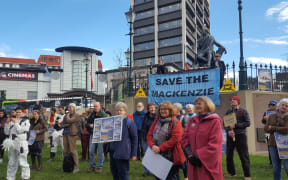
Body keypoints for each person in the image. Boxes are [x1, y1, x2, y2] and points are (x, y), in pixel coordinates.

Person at [181, 96, 223, 180]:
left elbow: (215, 143)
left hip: (207, 162)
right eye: (196, 104)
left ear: (207, 105)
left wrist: (198, 156)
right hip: (193, 160)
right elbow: (185, 137)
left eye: (200, 103)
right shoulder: (192, 120)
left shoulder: (214, 121)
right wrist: (189, 154)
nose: (197, 105)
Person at [147, 101, 186, 180]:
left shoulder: (175, 122)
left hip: (171, 157)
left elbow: (176, 138)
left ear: (170, 110)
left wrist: (160, 148)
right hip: (157, 156)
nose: (162, 111)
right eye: (161, 109)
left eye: (165, 109)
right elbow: (149, 135)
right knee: (158, 177)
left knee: (171, 177)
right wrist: (152, 145)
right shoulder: (157, 120)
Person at [108, 102, 138, 180]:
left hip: (123, 152)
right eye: (117, 110)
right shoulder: (113, 122)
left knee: (123, 174)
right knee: (114, 173)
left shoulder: (129, 122)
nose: (119, 112)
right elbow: (109, 135)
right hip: (112, 152)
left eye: (121, 110)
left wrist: (134, 154)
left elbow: (135, 138)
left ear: (125, 111)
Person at [225, 96, 251, 180]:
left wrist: (236, 125)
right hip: (230, 136)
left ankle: (247, 175)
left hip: (241, 135)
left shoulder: (243, 111)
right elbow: (225, 123)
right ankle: (231, 173)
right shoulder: (229, 111)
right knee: (229, 155)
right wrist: (229, 130)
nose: (232, 101)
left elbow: (247, 123)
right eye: (231, 99)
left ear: (238, 102)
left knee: (243, 155)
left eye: (234, 99)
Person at [264, 98, 288, 180]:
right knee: (276, 168)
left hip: (286, 146)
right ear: (279, 105)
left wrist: (273, 128)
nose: (284, 107)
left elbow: (286, 130)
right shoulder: (271, 116)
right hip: (273, 144)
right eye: (283, 105)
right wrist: (274, 128)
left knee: (287, 167)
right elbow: (266, 129)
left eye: (286, 106)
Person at [4, 106, 30, 180]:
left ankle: (25, 177)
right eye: (17, 112)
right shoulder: (12, 121)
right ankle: (10, 177)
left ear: (22, 112)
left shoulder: (26, 121)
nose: (18, 113)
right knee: (11, 161)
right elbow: (6, 132)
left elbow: (21, 130)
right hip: (12, 142)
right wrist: (7, 123)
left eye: (19, 112)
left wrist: (16, 123)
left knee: (23, 160)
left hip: (21, 143)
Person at [86, 102, 107, 173]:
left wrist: (94, 125)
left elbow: (106, 125)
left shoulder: (103, 114)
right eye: (94, 106)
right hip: (93, 134)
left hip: (101, 135)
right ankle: (92, 166)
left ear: (100, 107)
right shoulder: (92, 114)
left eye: (96, 106)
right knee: (91, 151)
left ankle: (99, 167)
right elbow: (87, 123)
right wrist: (90, 126)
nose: (95, 108)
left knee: (100, 151)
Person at [60, 103, 81, 173]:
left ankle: (76, 167)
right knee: (66, 150)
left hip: (72, 134)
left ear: (74, 108)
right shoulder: (66, 115)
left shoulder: (76, 115)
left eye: (71, 107)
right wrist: (67, 125)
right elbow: (61, 124)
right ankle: (67, 166)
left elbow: (70, 120)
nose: (70, 109)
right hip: (65, 134)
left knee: (73, 150)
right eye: (69, 107)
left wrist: (68, 117)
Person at [141, 102, 157, 177]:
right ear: (148, 109)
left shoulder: (158, 117)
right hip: (146, 138)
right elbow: (143, 127)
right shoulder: (145, 116)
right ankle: (146, 171)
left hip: (155, 139)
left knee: (155, 155)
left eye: (153, 107)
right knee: (146, 155)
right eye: (151, 107)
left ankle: (155, 171)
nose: (152, 109)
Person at [261, 100, 278, 168]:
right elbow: (263, 121)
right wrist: (264, 118)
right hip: (267, 133)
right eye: (270, 105)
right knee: (269, 147)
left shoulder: (278, 113)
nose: (271, 106)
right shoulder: (266, 112)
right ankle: (271, 163)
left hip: (276, 133)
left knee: (277, 147)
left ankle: (279, 163)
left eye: (273, 105)